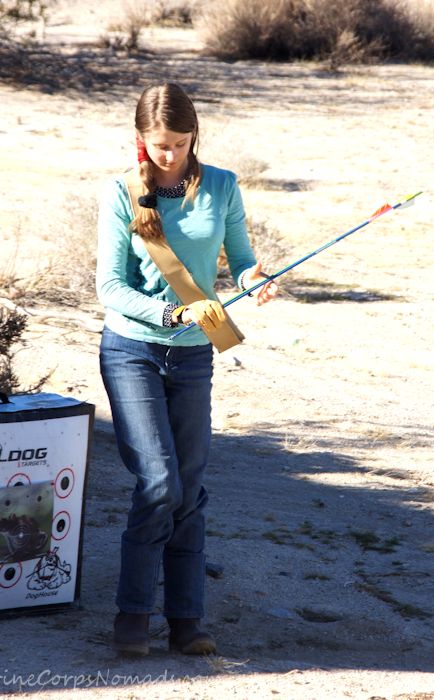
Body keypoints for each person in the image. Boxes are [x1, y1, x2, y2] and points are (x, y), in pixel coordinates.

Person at [96, 82, 278, 657]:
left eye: (178, 143)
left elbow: (242, 262)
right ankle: (132, 615)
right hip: (132, 350)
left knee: (190, 487)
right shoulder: (121, 193)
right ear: (139, 140)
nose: (167, 155)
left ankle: (185, 621)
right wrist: (172, 310)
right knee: (158, 483)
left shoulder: (222, 185)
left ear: (194, 136)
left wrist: (256, 281)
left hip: (195, 355)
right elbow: (110, 287)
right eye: (157, 145)